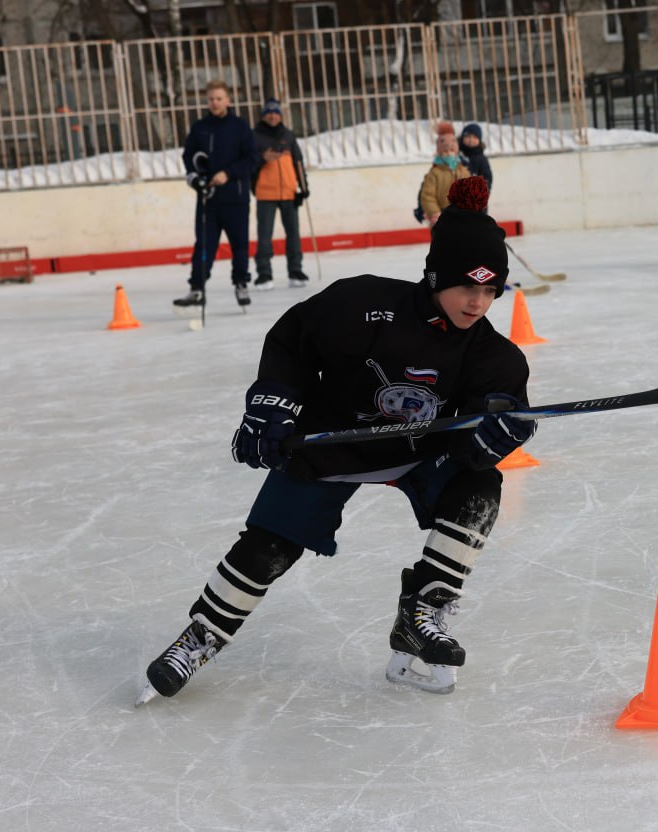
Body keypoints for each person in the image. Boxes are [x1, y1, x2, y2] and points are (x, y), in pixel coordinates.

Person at [138, 176, 536, 704]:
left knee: (480, 485)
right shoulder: (363, 304)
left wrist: (495, 436)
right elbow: (289, 344)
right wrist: (271, 409)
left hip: (417, 454)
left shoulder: (494, 355)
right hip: (332, 445)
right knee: (267, 549)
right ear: (435, 276)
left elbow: (489, 425)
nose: (479, 302)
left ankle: (424, 608)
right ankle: (201, 635)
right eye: (469, 286)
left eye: (491, 291)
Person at [175, 80, 261, 311]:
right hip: (208, 199)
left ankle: (241, 283)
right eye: (211, 99)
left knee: (239, 245)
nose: (215, 103)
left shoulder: (240, 127)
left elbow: (252, 159)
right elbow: (189, 157)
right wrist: (195, 178)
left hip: (236, 198)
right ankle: (197, 288)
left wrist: (228, 173)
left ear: (228, 100)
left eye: (219, 98)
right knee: (204, 245)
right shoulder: (200, 127)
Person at [252, 99, 309, 289]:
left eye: (275, 112)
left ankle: (295, 270)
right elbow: (248, 163)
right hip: (265, 193)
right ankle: (264, 273)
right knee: (264, 236)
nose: (272, 116)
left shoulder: (289, 136)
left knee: (293, 234)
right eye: (268, 113)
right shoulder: (255, 137)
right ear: (263, 115)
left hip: (288, 193)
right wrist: (262, 158)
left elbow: (298, 163)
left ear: (280, 115)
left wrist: (303, 188)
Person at [418, 121, 470, 226]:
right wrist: (435, 213)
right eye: (445, 152)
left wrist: (470, 210)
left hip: (462, 217)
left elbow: (470, 191)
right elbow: (427, 196)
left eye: (452, 150)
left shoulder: (462, 170)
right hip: (442, 218)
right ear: (439, 153)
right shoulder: (435, 173)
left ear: (456, 152)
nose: (449, 154)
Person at [458, 123, 492, 192]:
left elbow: (487, 179)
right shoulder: (457, 155)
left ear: (479, 140)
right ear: (462, 138)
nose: (471, 140)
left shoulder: (481, 159)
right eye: (468, 136)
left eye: (475, 137)